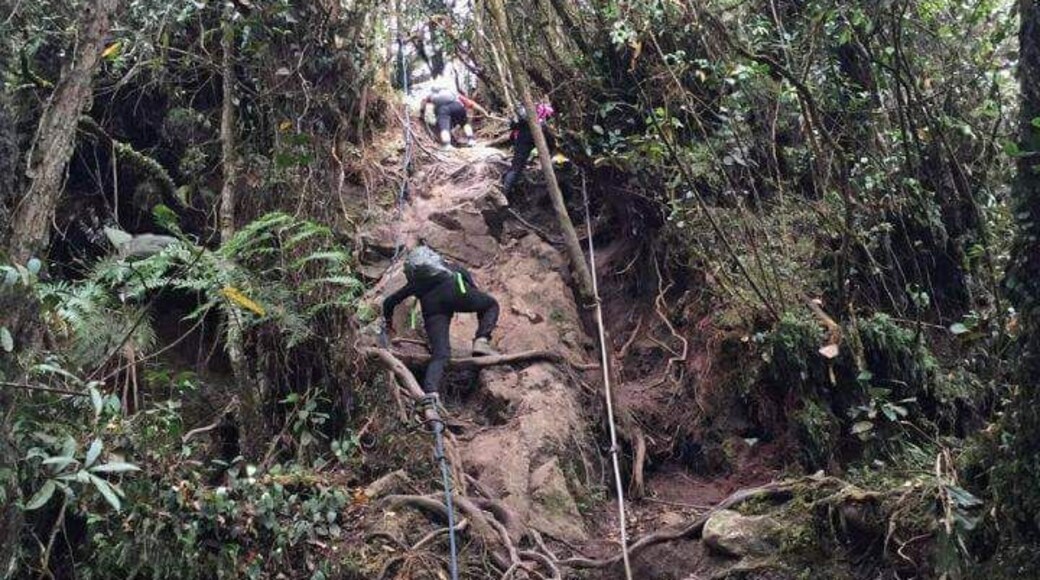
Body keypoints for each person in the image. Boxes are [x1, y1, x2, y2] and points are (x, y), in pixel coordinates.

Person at [383, 243, 500, 394]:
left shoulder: (415, 283)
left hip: (432, 308)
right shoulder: (450, 267)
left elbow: (389, 302)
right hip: (455, 290)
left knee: (440, 354)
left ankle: (431, 394)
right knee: (491, 305)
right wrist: (470, 295)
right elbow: (468, 281)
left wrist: (388, 322)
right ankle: (481, 341)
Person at [502, 101, 557, 193]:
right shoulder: (545, 109)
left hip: (523, 136)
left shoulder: (521, 110)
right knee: (551, 152)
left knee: (516, 167)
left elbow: (513, 127)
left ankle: (505, 192)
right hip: (539, 132)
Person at [421, 85, 478, 149]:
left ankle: (447, 145)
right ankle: (471, 140)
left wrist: (422, 113)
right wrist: (485, 113)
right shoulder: (451, 92)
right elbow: (471, 104)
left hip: (442, 109)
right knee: (465, 124)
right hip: (457, 106)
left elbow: (423, 105)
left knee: (444, 128)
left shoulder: (430, 96)